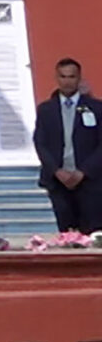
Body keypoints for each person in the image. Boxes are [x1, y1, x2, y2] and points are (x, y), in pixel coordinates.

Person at [35, 57, 102, 234]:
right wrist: (57, 171)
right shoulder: (45, 110)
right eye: (63, 77)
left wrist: (83, 172)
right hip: (59, 181)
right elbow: (40, 143)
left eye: (71, 77)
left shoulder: (96, 108)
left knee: (92, 232)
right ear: (57, 78)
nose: (67, 81)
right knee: (67, 233)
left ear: (79, 78)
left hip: (90, 181)